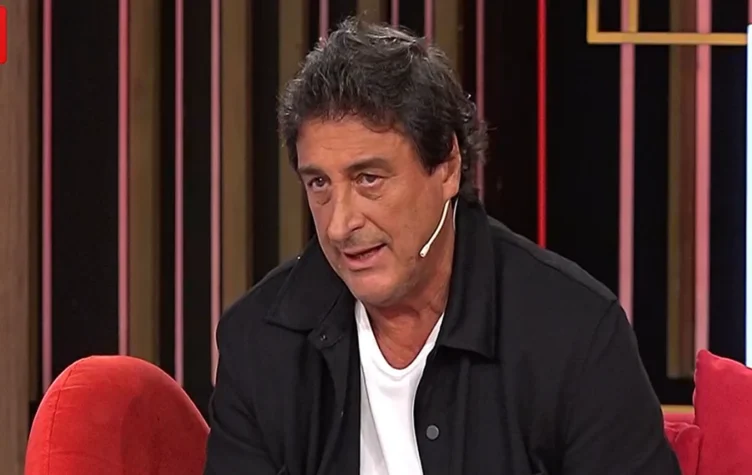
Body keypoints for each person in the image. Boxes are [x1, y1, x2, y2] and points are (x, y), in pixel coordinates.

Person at [203, 17, 680, 475]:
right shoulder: (259, 342)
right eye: (320, 184)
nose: (339, 225)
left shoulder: (573, 334)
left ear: (448, 166)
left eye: (368, 179)